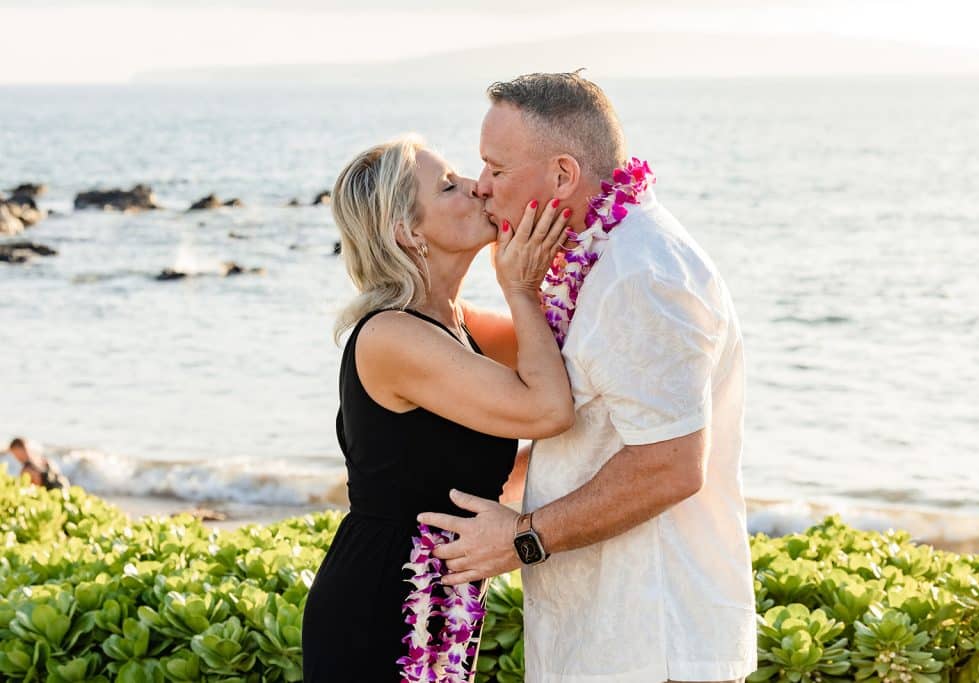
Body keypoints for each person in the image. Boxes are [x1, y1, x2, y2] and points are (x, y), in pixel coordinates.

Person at [418, 72, 759, 683]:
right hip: (605, 635)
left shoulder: (640, 274)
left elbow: (672, 463)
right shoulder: (597, 259)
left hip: (651, 638)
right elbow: (592, 432)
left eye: (497, 168)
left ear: (562, 176)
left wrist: (520, 538)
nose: (483, 188)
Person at [301, 136, 576, 681]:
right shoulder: (392, 336)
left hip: (443, 601)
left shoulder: (460, 324)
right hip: (381, 605)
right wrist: (519, 287)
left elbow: (570, 357)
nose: (478, 186)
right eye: (450, 186)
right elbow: (548, 409)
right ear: (407, 232)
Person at [5, 437, 70, 490]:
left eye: (14, 453)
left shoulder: (27, 469)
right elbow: (59, 475)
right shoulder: (42, 459)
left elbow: (33, 488)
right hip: (63, 490)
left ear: (19, 449)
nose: (15, 457)